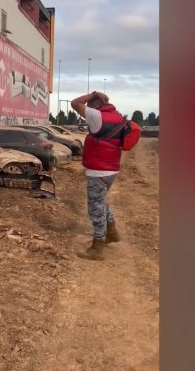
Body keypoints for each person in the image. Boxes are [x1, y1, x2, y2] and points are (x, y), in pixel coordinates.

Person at [71, 91, 124, 261]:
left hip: (98, 170)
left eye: (90, 104)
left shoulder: (96, 115)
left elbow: (74, 103)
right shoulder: (117, 116)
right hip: (112, 169)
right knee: (101, 201)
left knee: (95, 207)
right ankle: (112, 232)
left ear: (94, 105)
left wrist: (92, 94)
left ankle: (97, 247)